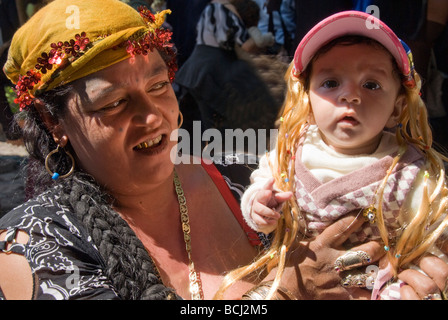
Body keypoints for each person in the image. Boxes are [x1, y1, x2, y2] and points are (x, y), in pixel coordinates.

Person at [0, 0, 445, 301]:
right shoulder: (33, 244)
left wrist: (417, 264)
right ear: (52, 121)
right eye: (114, 103)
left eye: (159, 86)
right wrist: (282, 293)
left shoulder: (243, 175)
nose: (154, 115)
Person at [234, 11, 448, 300]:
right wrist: (259, 205)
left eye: (371, 84)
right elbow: (263, 181)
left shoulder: (409, 173)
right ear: (307, 101)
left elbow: (435, 239)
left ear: (397, 109)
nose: (349, 95)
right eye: (331, 83)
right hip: (293, 284)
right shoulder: (290, 151)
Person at [175, 0, 278, 156]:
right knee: (205, 126)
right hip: (207, 72)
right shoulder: (222, 9)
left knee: (201, 125)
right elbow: (245, 45)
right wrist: (262, 39)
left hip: (200, 71)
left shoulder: (215, 9)